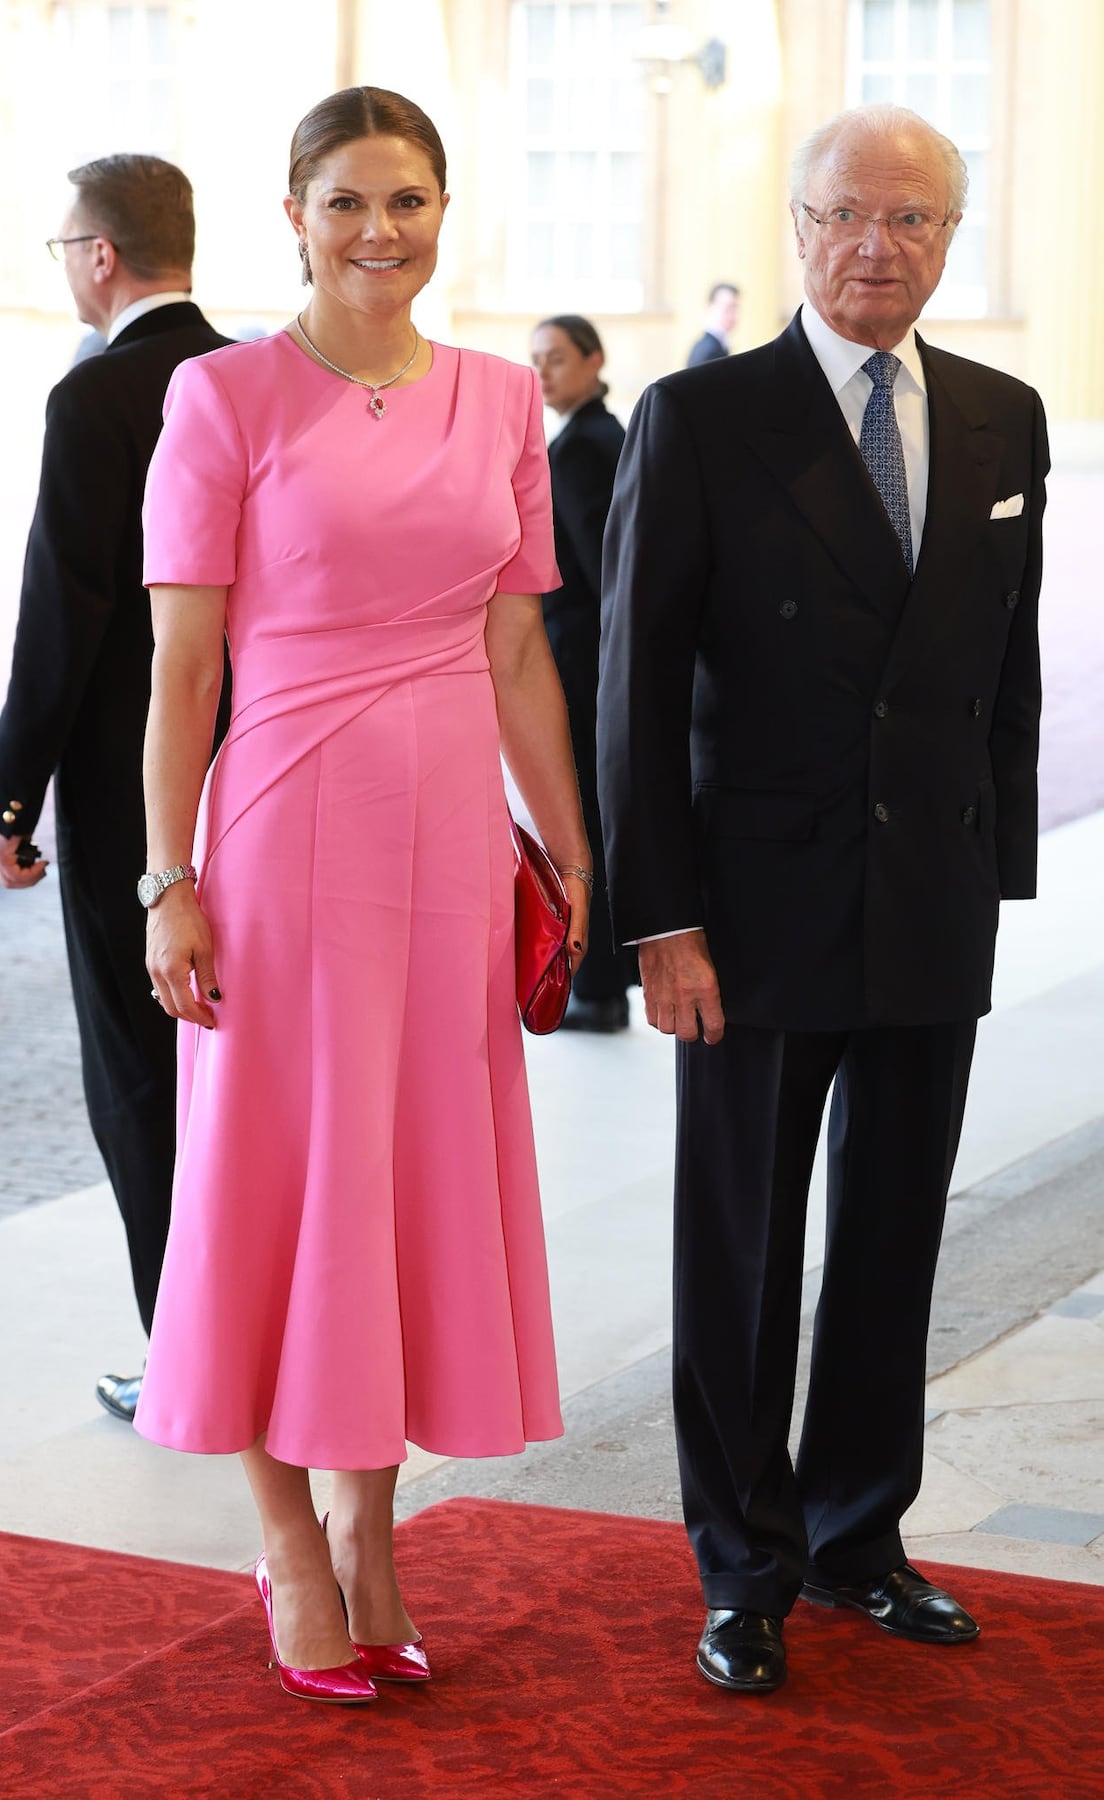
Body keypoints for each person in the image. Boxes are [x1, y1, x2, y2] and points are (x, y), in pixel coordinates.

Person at [134, 86, 590, 1704]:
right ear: (294, 216)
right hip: (278, 842)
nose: (378, 231)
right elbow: (184, 670)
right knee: (276, 1188)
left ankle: (374, 1536)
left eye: (405, 200)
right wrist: (167, 880)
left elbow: (518, 646)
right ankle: (283, 1536)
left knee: (398, 1193)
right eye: (346, 203)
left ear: (443, 211)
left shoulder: (495, 399)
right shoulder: (221, 398)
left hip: (446, 856)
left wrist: (571, 840)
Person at [599, 104, 1046, 1694]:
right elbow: (635, 687)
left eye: (914, 220)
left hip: (928, 899)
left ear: (948, 239)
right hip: (751, 911)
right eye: (848, 214)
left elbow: (1008, 672)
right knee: (740, 1249)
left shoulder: (1003, 419)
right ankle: (745, 1566)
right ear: (797, 227)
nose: (879, 246)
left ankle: (862, 1536)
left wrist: (998, 875)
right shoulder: (702, 417)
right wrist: (659, 919)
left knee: (894, 1240)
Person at [0, 155, 230, 1422]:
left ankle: (184, 1357)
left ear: (99, 256)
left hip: (128, 793)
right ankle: (260, 1337)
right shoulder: (251, 377)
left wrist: (11, 797)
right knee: (240, 1072)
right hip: (253, 772)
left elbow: (60, 618)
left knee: (138, 1073)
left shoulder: (96, 398)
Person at [531, 314, 637, 1031]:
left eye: (557, 359)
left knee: (582, 823)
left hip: (579, 662)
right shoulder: (599, 434)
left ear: (594, 359)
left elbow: (602, 573)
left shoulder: (580, 449)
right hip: (593, 659)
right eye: (535, 360)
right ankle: (601, 985)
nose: (542, 372)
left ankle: (596, 988)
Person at [686, 282, 739, 367]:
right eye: (728, 307)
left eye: (735, 308)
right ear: (709, 307)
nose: (735, 315)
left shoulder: (717, 345)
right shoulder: (708, 349)